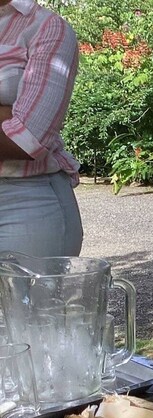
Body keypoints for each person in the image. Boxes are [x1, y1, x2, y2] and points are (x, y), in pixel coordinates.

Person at [0, 0, 82, 257]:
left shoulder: (47, 28)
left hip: (21, 203)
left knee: (24, 299)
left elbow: (26, 138)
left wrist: (15, 121)